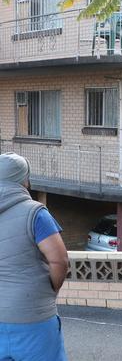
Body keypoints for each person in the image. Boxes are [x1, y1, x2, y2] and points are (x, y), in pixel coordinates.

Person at [0, 152, 69, 361]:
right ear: (24, 179)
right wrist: (51, 288)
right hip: (33, 317)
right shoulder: (35, 213)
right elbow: (60, 260)